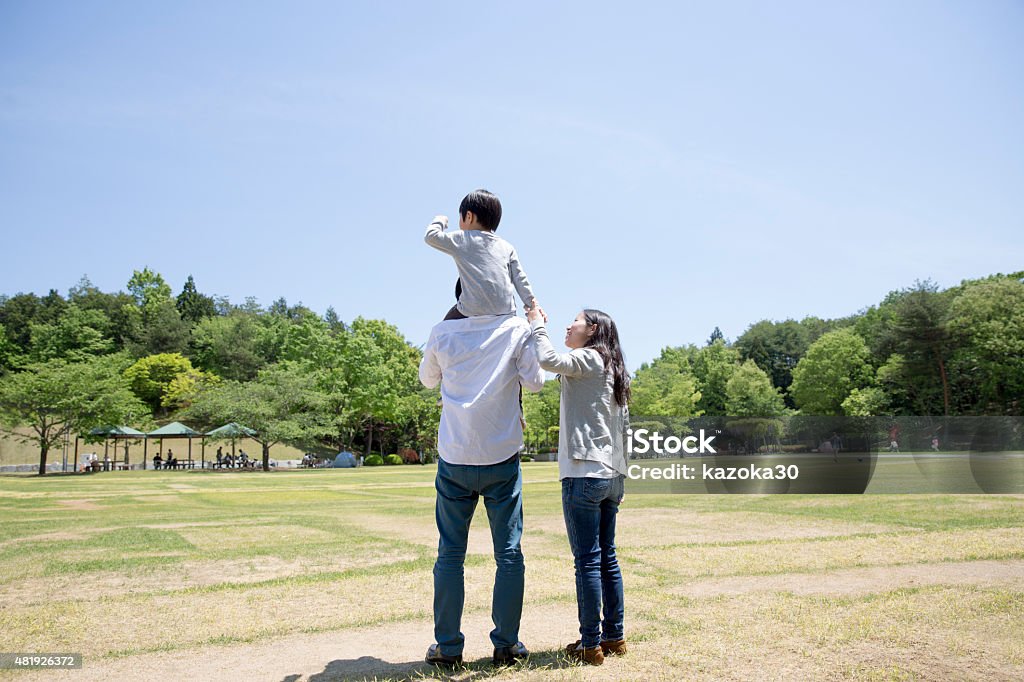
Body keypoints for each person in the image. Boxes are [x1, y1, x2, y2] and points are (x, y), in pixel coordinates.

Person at [419, 308, 546, 668]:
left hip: (455, 456)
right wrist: (535, 328)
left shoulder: (442, 331)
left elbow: (428, 380)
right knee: (508, 554)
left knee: (450, 554)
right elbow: (536, 382)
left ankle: (447, 646)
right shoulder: (516, 329)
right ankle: (506, 645)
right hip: (501, 456)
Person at [527, 306, 630, 666]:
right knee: (607, 558)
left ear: (593, 330)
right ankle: (613, 636)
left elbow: (547, 358)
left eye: (576, 321)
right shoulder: (614, 367)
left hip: (585, 472)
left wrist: (536, 324)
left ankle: (590, 644)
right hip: (612, 474)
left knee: (587, 560)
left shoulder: (588, 357)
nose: (568, 325)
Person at [424, 189, 538, 321]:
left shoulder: (463, 237)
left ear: (468, 216)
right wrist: (533, 304)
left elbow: (430, 237)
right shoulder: (507, 247)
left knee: (444, 328)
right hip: (505, 311)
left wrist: (440, 220)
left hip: (471, 308)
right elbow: (520, 279)